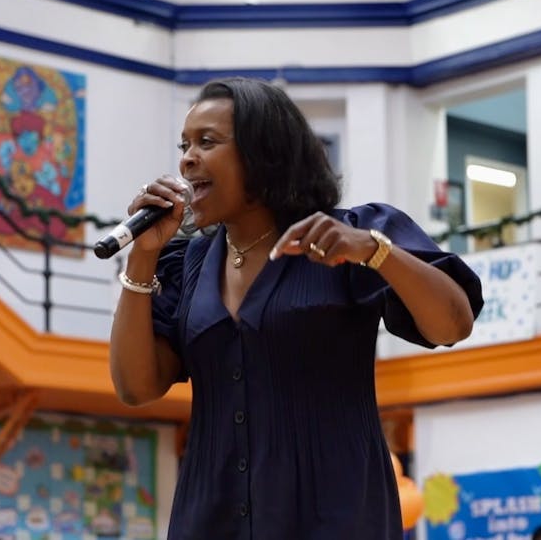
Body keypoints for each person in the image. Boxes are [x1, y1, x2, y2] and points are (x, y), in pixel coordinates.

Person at [108, 77, 484, 540]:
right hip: (211, 517)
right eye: (185, 144)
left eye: (208, 142)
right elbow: (135, 386)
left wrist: (374, 251)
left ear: (264, 152)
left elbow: (452, 323)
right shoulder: (188, 262)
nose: (187, 158)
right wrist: (143, 255)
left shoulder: (352, 235)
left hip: (334, 515)